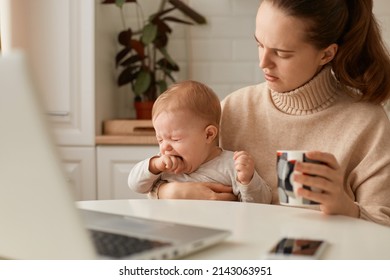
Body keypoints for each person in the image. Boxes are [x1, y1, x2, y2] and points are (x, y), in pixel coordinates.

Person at [151, 0, 390, 226]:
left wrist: (346, 208)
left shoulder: (367, 122)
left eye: (282, 53)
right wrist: (169, 192)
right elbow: (158, 176)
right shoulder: (233, 110)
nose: (263, 62)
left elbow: (383, 225)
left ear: (326, 54)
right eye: (259, 44)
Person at [128, 80, 272, 203]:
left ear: (209, 135)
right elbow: (135, 185)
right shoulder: (163, 166)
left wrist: (248, 180)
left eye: (175, 139)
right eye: (160, 139)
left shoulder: (231, 165)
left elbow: (261, 203)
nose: (165, 147)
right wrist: (154, 165)